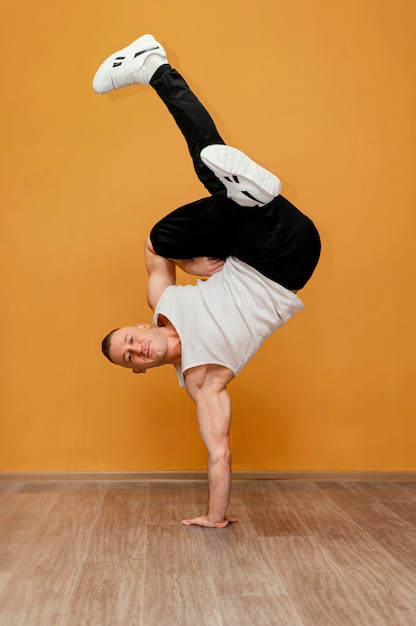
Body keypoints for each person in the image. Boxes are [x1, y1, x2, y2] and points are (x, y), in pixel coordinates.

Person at [93, 34, 321, 528]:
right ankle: (249, 195)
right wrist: (215, 518)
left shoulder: (163, 299)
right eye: (131, 358)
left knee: (181, 201)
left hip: (255, 238)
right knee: (211, 173)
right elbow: (219, 453)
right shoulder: (203, 382)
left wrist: (193, 263)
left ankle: (154, 67)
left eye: (131, 341)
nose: (138, 350)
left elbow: (155, 251)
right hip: (289, 263)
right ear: (139, 370)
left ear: (140, 325)